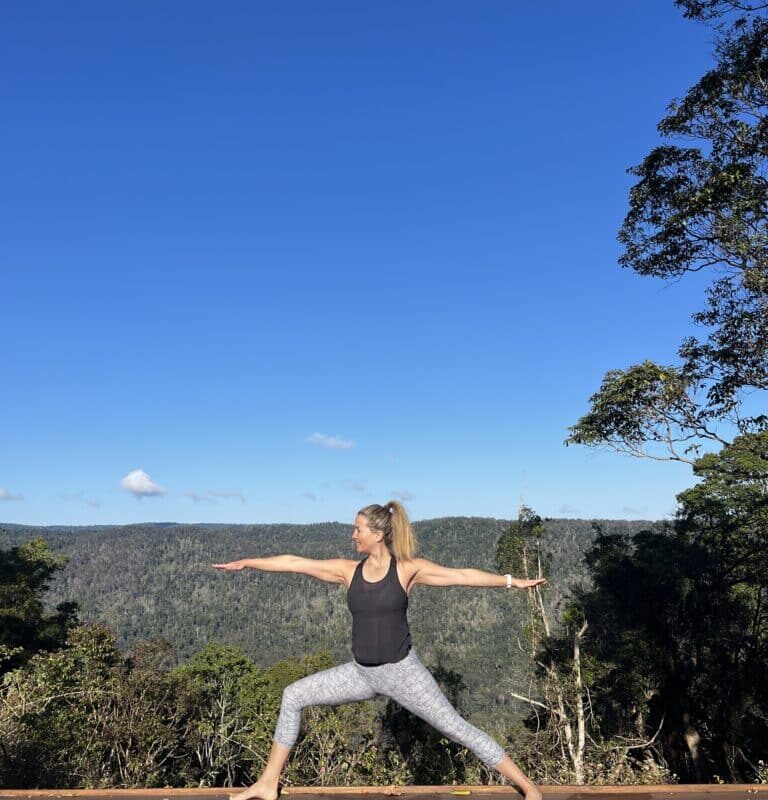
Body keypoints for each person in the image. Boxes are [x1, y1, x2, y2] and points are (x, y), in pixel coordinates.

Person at [212, 501, 546, 800]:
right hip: (360, 674)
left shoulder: (407, 569)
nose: (353, 535)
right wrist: (248, 562)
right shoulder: (348, 571)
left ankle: (529, 787)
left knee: (457, 728)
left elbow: (462, 575)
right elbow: (294, 562)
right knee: (293, 695)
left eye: (358, 529)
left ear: (377, 534)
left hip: (404, 674)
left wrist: (511, 581)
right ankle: (267, 783)